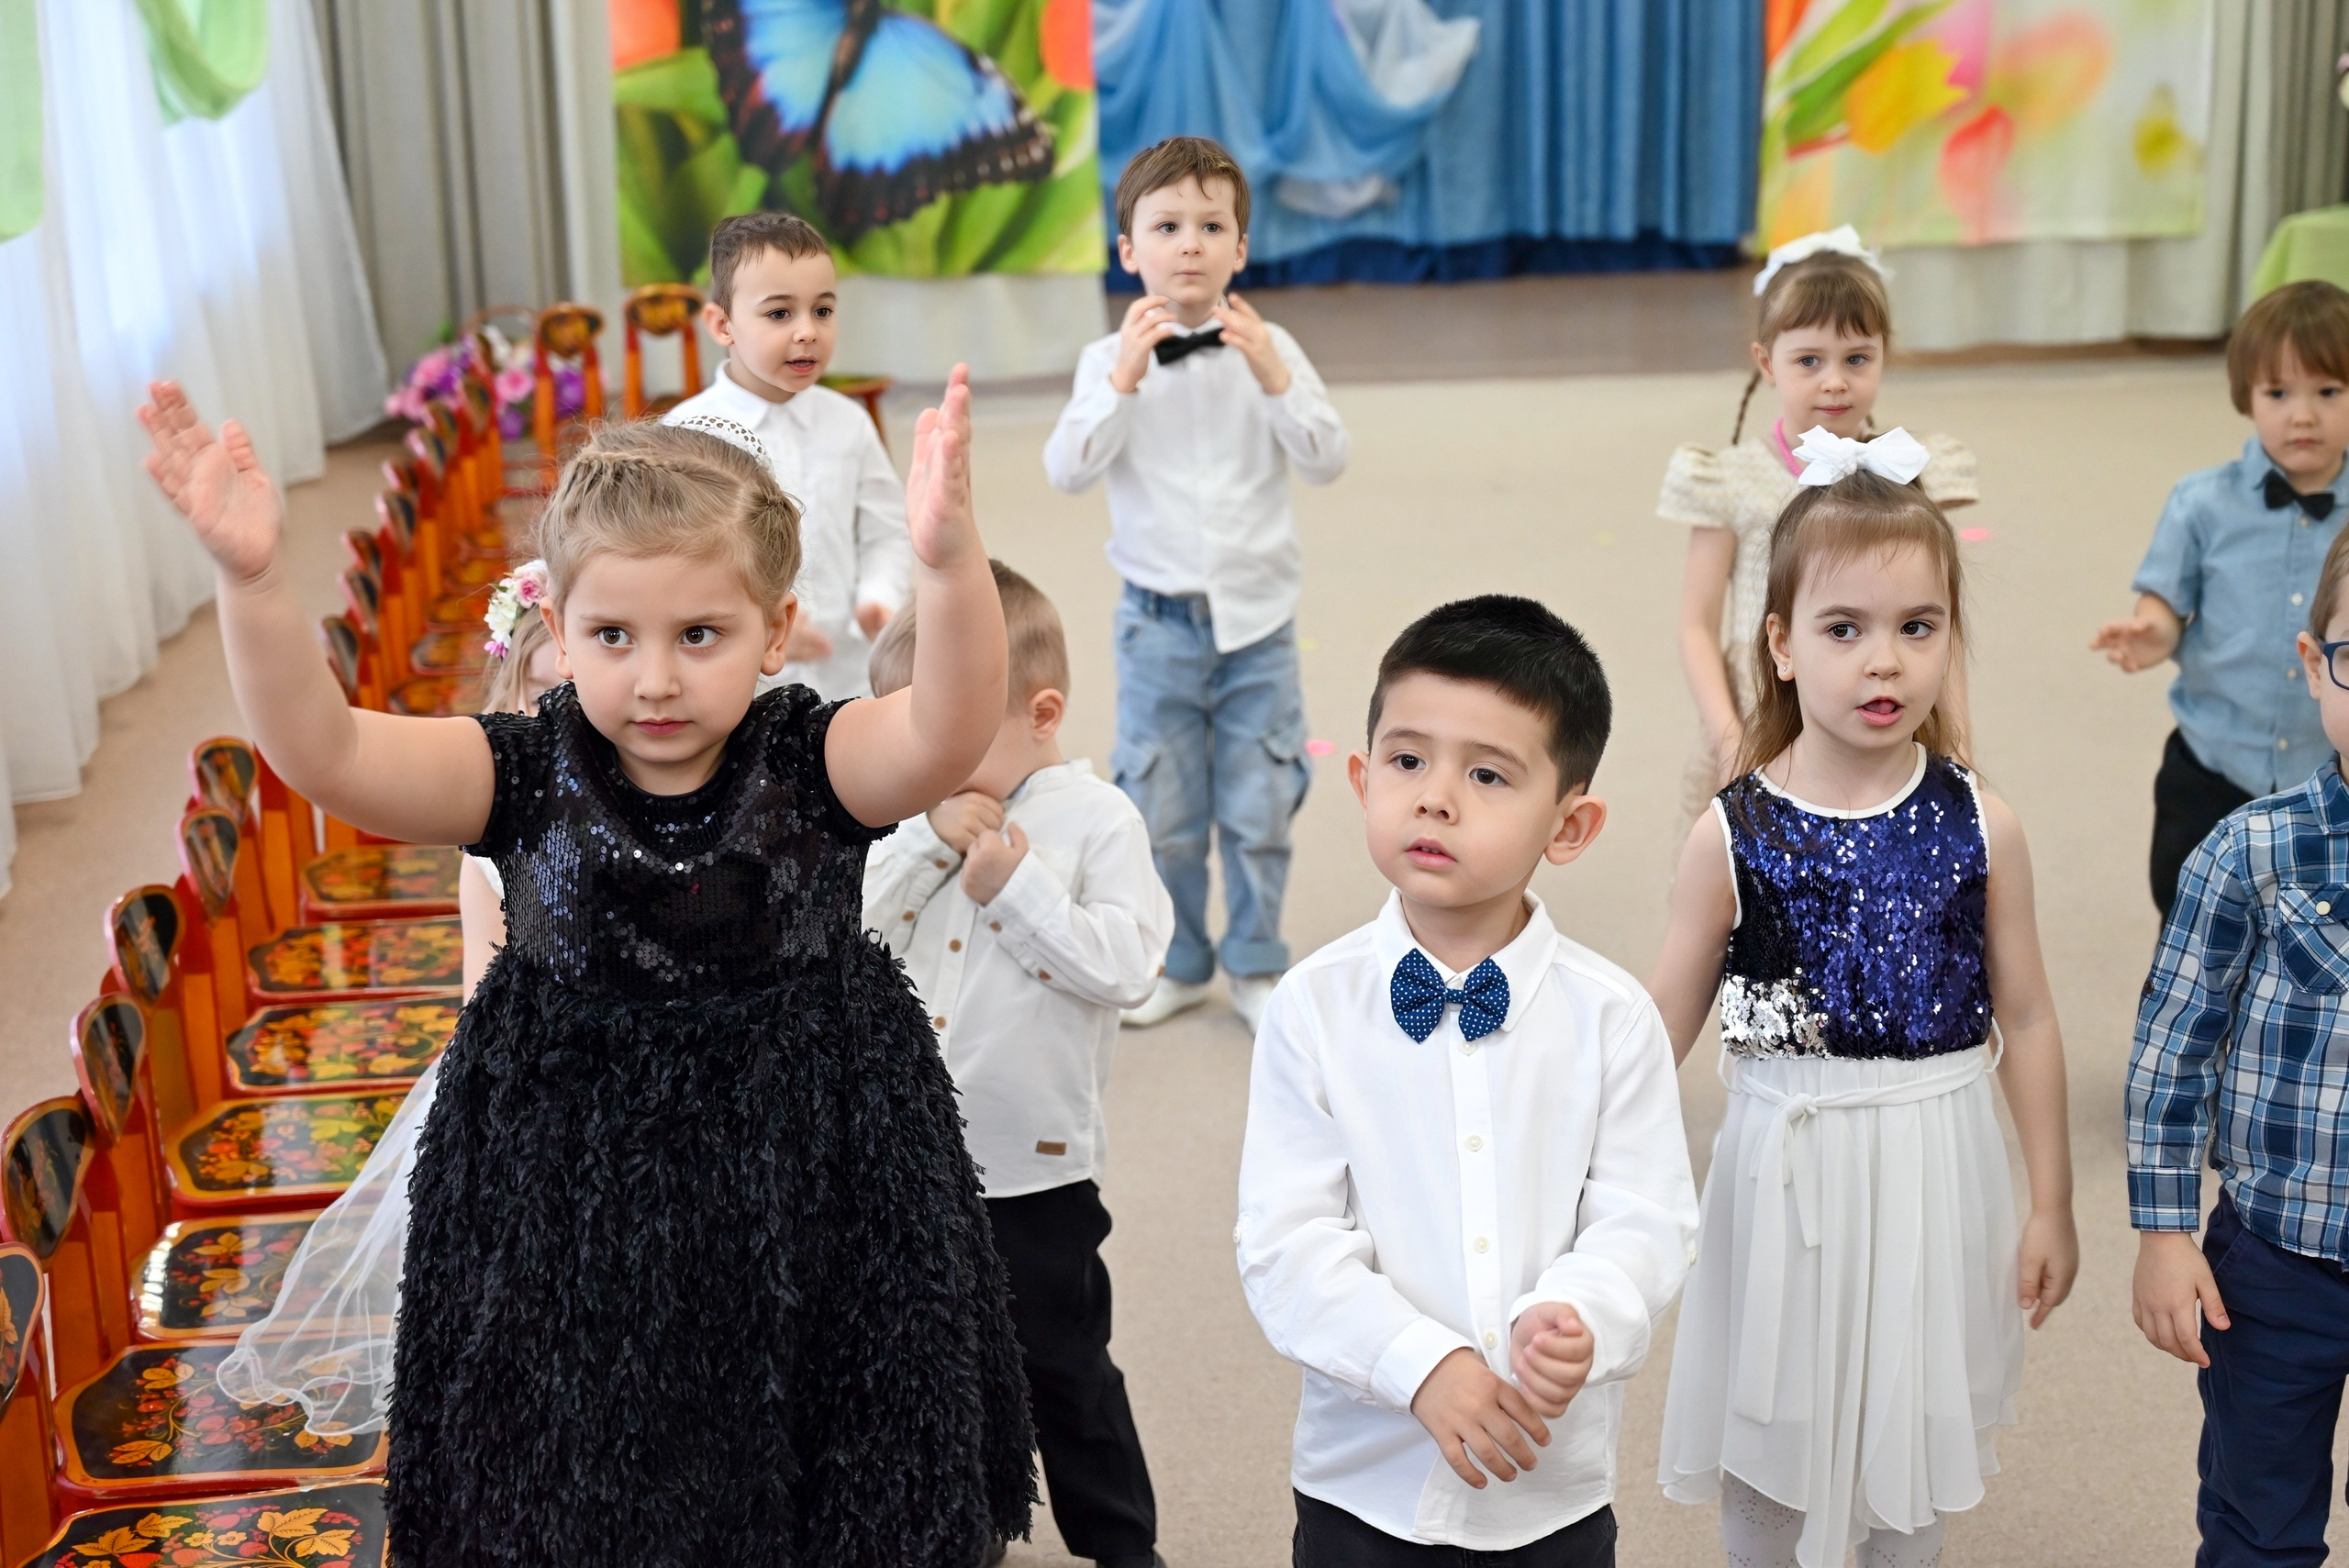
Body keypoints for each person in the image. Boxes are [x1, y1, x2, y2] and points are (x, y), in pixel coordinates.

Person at [138, 373, 1034, 1566]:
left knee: (833, 1446)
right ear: (558, 632)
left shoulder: (815, 761)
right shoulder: (517, 770)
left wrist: (949, 558)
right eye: (614, 636)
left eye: (699, 636)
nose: (654, 678)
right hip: (573, 1179)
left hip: (812, 1158)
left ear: (775, 629)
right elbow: (329, 752)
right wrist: (253, 581)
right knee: (583, 1463)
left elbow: (951, 724)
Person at [1647, 432, 2077, 1568]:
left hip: (1936, 1161)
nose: (1881, 662)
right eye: (1844, 630)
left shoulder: (1984, 821)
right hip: (1780, 1164)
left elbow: (2026, 1015)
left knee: (1909, 1417)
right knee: (1771, 1420)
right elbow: (1652, 1036)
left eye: (1915, 627)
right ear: (1780, 644)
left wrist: (2051, 1200)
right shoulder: (1731, 830)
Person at [1235, 596, 1698, 1566]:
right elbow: (1287, 1240)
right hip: (1364, 1480)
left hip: (1547, 1485)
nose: (1436, 796)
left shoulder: (1611, 1018)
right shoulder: (1312, 1006)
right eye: (1407, 761)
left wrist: (1583, 1308)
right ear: (1361, 778)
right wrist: (1421, 1365)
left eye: (1486, 773)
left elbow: (1645, 1217)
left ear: (1569, 825)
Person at [863, 562, 1174, 1568]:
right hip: (904, 1162)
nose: (925, 755)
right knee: (922, 1366)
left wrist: (1014, 882)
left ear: (1040, 713)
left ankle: (1123, 1544)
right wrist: (921, 838)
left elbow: (1126, 967)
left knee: (1062, 1366)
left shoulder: (1098, 823)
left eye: (951, 730)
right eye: (910, 730)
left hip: (1034, 1167)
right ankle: (963, 1529)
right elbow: (846, 940)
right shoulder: (904, 817)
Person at [214, 562, 563, 1433]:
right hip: (540, 1074)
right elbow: (484, 990)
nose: (563, 718)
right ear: (509, 699)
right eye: (543, 696)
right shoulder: (495, 833)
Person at [1043, 135, 1349, 1032]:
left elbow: (1329, 459)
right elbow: (1066, 469)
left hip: (1259, 627)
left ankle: (1256, 959)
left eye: (1211, 225)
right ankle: (1178, 958)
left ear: (1240, 249)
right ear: (1129, 249)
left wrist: (1274, 376)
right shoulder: (1107, 359)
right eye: (1166, 225)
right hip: (1155, 626)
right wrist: (1123, 384)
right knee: (1163, 808)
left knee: (1259, 805)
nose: (1189, 243)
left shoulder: (1273, 346)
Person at [2128, 520, 2349, 1566]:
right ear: (2314, 666)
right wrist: (2165, 1232)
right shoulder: (2250, 848)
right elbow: (2172, 1047)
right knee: (2257, 1518)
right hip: (2274, 1258)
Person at [1659, 225, 1975, 836]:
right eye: (1810, 360)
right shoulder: (1730, 479)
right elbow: (1697, 623)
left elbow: (1942, 620)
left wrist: (1957, 738)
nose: (1835, 381)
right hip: (1767, 724)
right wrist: (1730, 736)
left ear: (1885, 353)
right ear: (1766, 361)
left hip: (1882, 711)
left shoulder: (1907, 470)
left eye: (1857, 358)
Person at [2091, 278, 2349, 918]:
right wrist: (2154, 631)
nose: (2303, 415)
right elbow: (2165, 600)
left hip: (2331, 766)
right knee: (2190, 911)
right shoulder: (2201, 501)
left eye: (2329, 391)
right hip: (2212, 764)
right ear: (2246, 396)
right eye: (2278, 393)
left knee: (2320, 924)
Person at [665, 209, 911, 699]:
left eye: (822, 310)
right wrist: (758, 627)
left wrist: (880, 598)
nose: (807, 331)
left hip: (850, 677)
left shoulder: (850, 422)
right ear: (722, 325)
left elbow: (887, 532)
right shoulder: (684, 436)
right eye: (780, 313)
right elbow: (675, 567)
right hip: (743, 685)